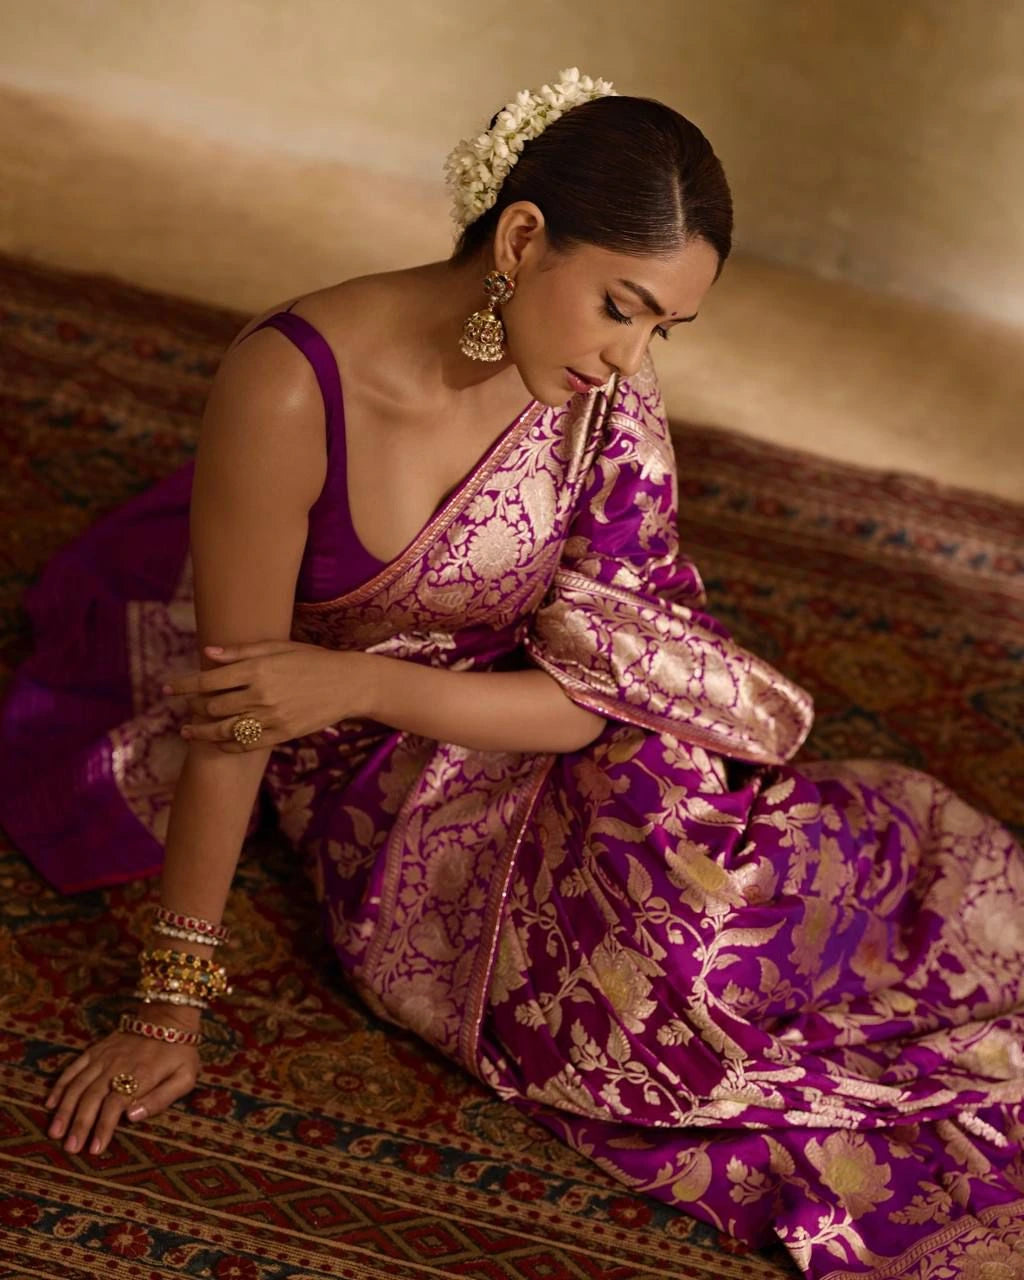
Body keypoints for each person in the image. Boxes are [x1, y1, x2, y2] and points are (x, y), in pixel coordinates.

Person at [1, 67, 1022, 1280]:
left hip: (550, 718)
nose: (630, 357)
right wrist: (171, 1002)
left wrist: (361, 683)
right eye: (620, 307)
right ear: (523, 237)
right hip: (392, 791)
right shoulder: (290, 386)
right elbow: (246, 708)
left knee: (801, 891)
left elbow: (610, 687)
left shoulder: (602, 398)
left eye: (660, 330)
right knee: (647, 1018)